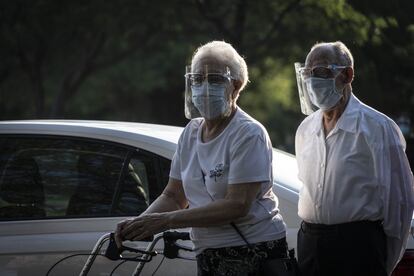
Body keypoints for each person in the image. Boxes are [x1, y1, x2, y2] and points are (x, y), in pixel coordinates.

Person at [115, 41, 288, 276]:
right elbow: (174, 195)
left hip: (253, 251)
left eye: (215, 79)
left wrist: (164, 221)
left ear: (236, 87)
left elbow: (236, 205)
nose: (204, 87)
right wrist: (140, 224)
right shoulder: (191, 132)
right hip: (208, 252)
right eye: (197, 79)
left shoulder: (248, 133)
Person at [294, 41, 414, 276]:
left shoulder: (377, 127)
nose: (312, 81)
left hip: (358, 247)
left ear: (347, 75)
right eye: (307, 74)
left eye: (321, 72)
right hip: (310, 245)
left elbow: (399, 204)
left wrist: (378, 261)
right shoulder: (305, 129)